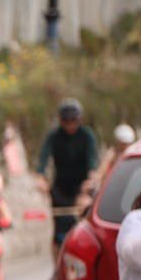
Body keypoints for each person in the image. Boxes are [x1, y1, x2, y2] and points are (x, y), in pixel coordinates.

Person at [35, 98, 99, 261]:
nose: (70, 125)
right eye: (66, 121)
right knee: (58, 232)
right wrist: (40, 178)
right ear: (60, 120)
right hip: (60, 188)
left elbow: (93, 162)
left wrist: (90, 180)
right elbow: (43, 159)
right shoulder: (54, 136)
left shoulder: (87, 136)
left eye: (73, 121)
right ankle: (56, 268)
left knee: (83, 227)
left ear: (79, 119)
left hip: (81, 188)